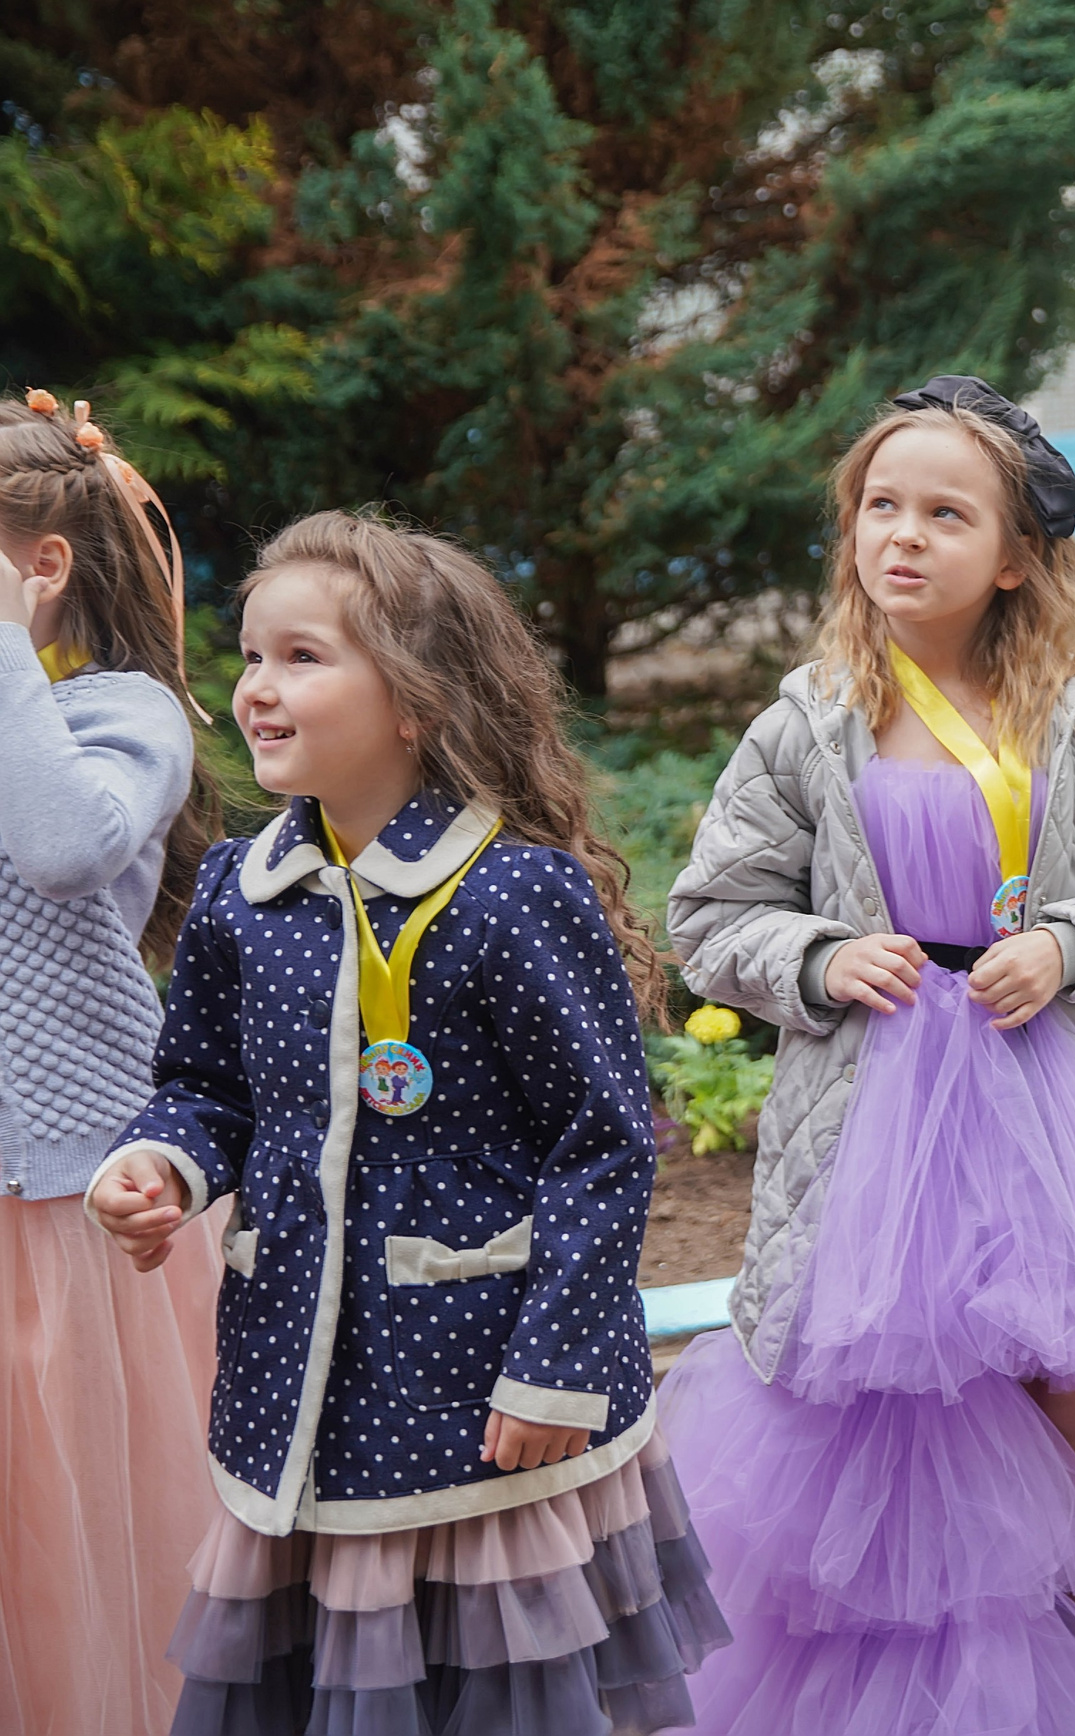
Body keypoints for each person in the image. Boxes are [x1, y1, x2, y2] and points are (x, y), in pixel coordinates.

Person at [656, 377, 1075, 1735]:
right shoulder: (810, 719)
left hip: (1050, 1100)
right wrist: (812, 958)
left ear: (1015, 557)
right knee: (903, 1399)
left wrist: (1074, 947)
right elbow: (710, 914)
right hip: (880, 1113)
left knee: (1061, 1380)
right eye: (881, 507)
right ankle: (924, 1663)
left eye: (946, 512)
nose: (904, 536)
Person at [88, 509, 728, 1729]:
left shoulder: (512, 893)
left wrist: (553, 1367)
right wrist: (162, 1162)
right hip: (300, 1394)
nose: (256, 689)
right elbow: (207, 1083)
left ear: (419, 704)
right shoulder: (242, 887)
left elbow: (601, 1145)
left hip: (491, 1404)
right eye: (253, 655)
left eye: (302, 657)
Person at [0, 391, 226, 1732]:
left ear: (45, 571)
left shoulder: (129, 714)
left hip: (78, 1203)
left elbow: (63, 846)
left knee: (90, 1524)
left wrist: (4, 653)